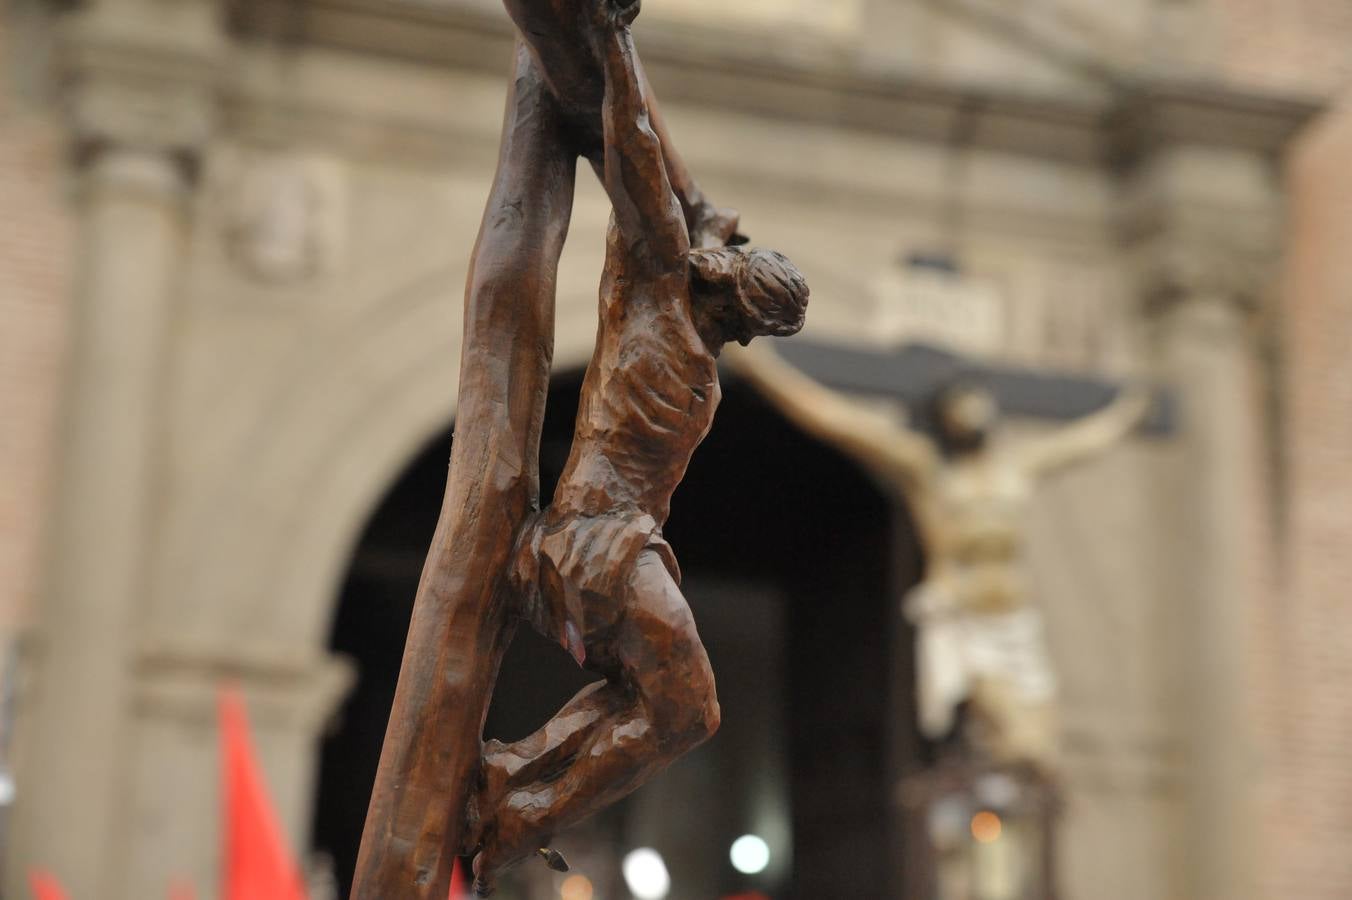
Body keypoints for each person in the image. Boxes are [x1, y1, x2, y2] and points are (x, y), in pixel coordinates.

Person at [463, 2, 809, 893]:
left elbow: (663, 169)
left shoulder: (678, 315)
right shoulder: (659, 284)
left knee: (671, 708)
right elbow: (640, 155)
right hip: (596, 542)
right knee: (687, 712)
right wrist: (611, 43)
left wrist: (617, 48)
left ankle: (514, 782)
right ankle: (521, 806)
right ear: (737, 300)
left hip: (610, 544)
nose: (722, 229)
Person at [730, 344, 1149, 771]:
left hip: (1017, 622)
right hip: (968, 621)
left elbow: (1081, 443)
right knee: (1014, 741)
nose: (970, 412)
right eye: (959, 406)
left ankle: (1006, 820)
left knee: (1044, 748)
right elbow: (838, 421)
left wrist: (1129, 411)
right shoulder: (929, 471)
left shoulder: (1014, 469)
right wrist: (763, 369)